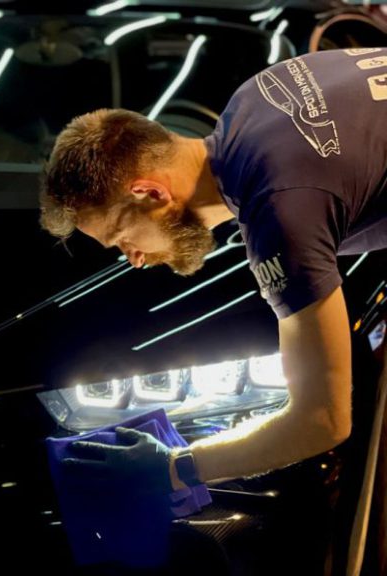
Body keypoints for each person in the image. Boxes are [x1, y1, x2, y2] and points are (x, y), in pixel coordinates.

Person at [40, 47, 387, 494]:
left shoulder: (279, 208)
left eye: (123, 237)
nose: (135, 258)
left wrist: (175, 467)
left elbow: (322, 420)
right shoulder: (253, 99)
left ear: (149, 193)